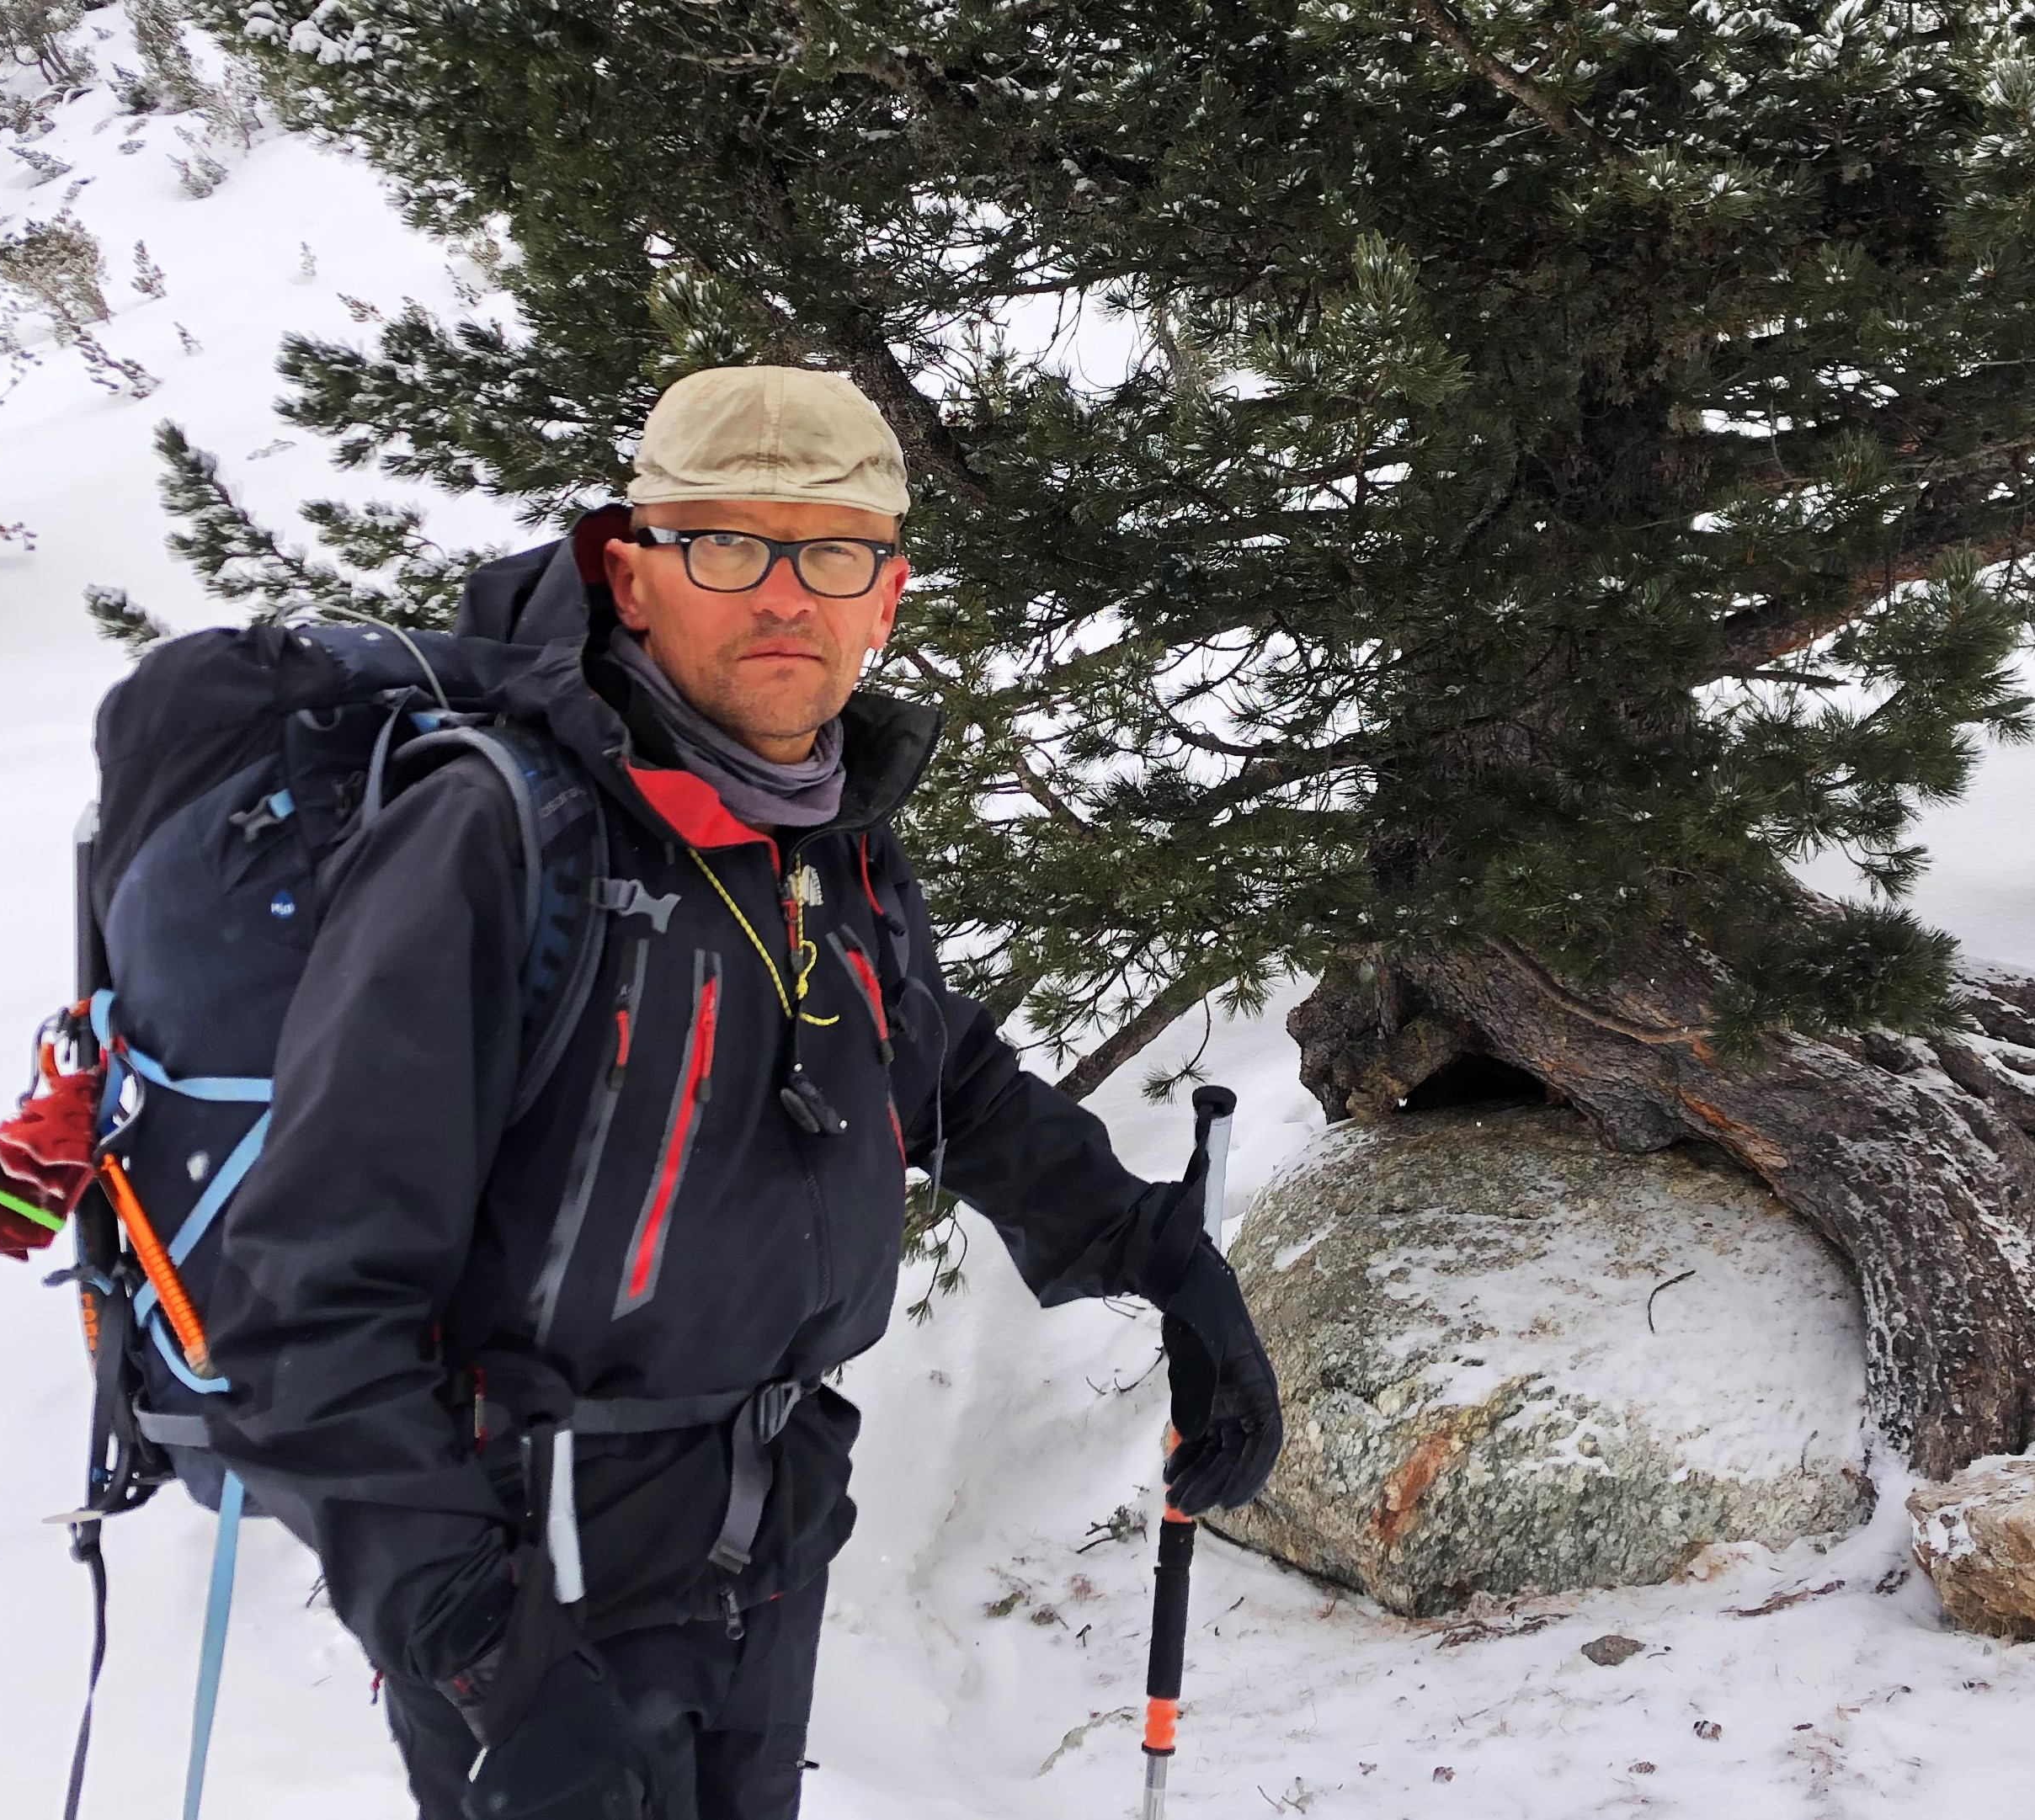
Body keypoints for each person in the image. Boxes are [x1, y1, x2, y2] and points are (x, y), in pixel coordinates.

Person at [203, 365, 1283, 1820]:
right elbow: (301, 1305)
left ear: (886, 594)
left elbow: (936, 1069)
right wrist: (484, 1662)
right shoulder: (496, 838)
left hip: (763, 1533)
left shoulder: (821, 830)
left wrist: (1163, 1256)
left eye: (832, 551)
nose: (786, 593)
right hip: (531, 1567)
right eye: (729, 546)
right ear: (634, 577)